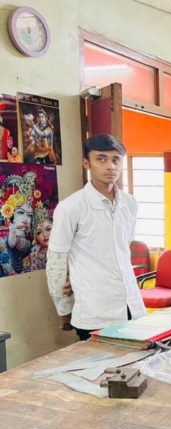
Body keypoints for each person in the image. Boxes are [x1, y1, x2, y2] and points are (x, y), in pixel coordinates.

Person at [46, 135, 146, 339]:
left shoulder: (130, 203)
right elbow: (56, 261)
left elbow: (121, 251)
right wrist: (63, 310)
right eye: (101, 159)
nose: (110, 166)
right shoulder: (71, 208)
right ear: (87, 163)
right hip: (94, 311)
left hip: (132, 306)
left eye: (116, 160)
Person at [0, 190, 34, 276]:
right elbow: (11, 244)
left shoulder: (30, 243)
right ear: (11, 215)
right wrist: (12, 232)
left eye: (29, 215)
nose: (25, 219)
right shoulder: (3, 242)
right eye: (20, 212)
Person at [29, 204, 52, 271]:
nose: (45, 235)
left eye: (48, 229)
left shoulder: (65, 249)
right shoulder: (33, 255)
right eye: (39, 232)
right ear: (35, 237)